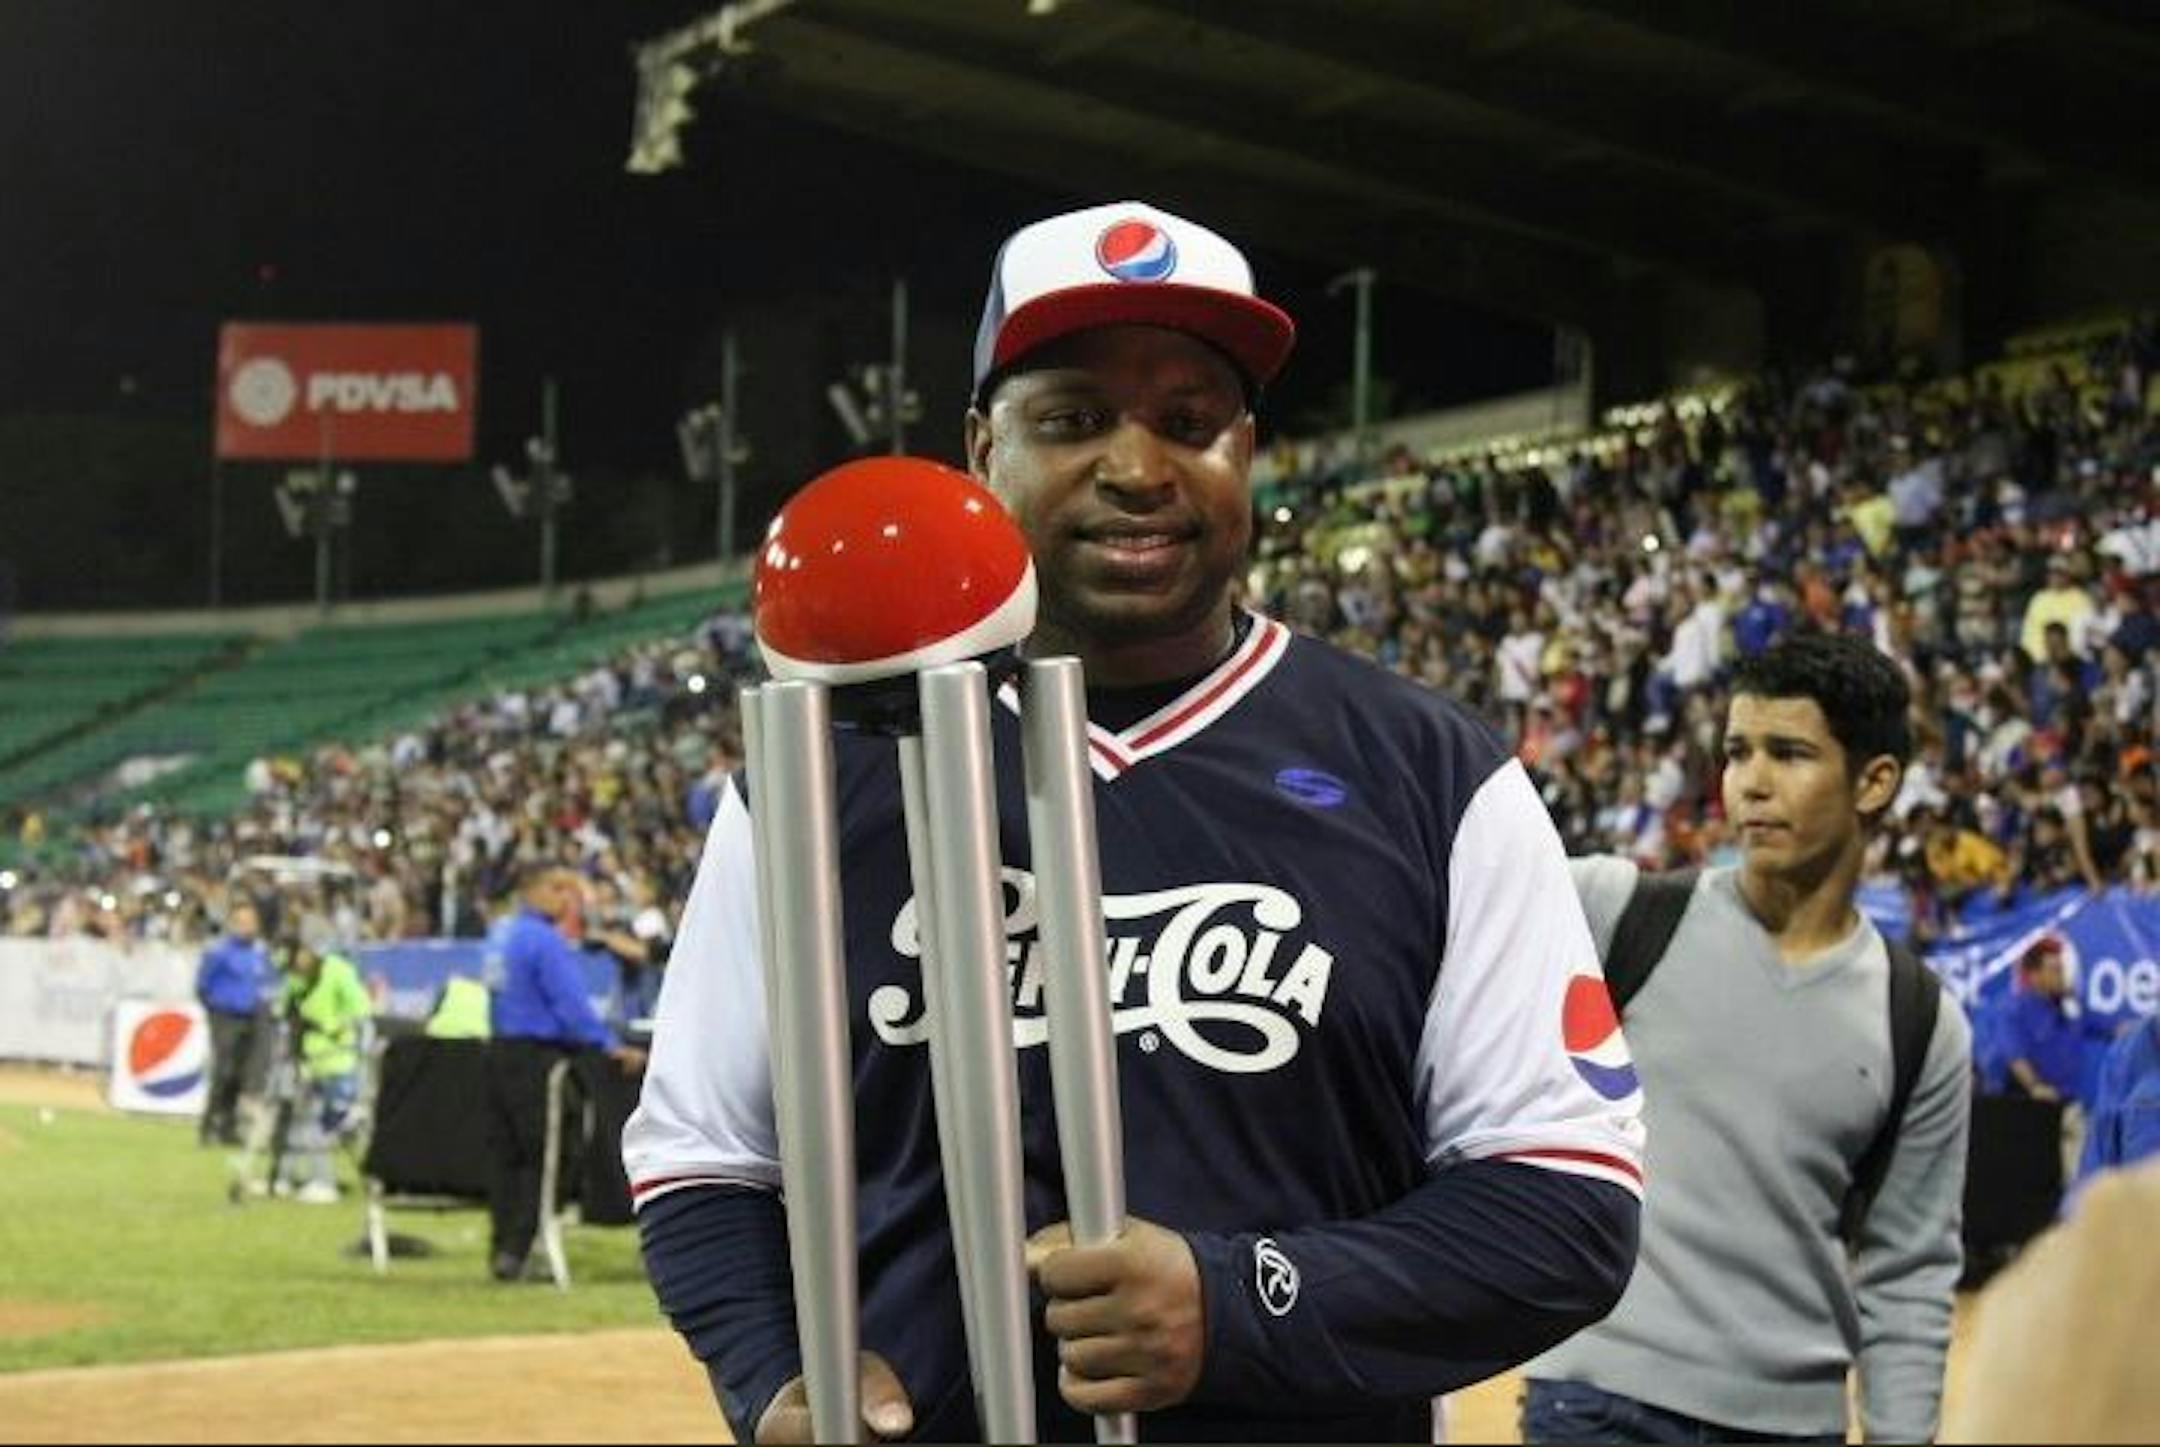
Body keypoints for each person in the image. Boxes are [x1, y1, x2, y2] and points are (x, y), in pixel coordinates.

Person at [626, 200, 1646, 1442]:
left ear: (1249, 452)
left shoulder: (1430, 770)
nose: (1138, 467)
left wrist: (1238, 1302)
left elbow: (1563, 1206)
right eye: (1071, 420)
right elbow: (707, 1156)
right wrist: (774, 1375)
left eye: (1188, 421)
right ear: (978, 451)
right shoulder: (821, 774)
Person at [1523, 630, 1973, 1444]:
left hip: (1791, 1422)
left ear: (1874, 781)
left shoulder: (1921, 1019)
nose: (1752, 782)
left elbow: (1908, 1271)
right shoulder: (1614, 909)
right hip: (1595, 1397)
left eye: (1790, 752)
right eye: (1738, 751)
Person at [483, 865, 643, 1282]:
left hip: (500, 1051)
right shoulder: (543, 941)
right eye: (559, 889)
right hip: (537, 1059)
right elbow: (570, 1006)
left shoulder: (501, 935)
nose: (567, 900)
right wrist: (608, 1046)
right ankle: (520, 1249)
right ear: (535, 890)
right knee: (549, 1154)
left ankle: (502, 1246)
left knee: (507, 1155)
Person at [274, 938, 375, 1203]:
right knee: (303, 1120)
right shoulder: (295, 980)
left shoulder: (338, 971)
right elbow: (283, 1011)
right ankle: (286, 1177)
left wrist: (336, 1030)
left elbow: (362, 1012)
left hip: (339, 1060)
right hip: (308, 1062)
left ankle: (328, 1182)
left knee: (331, 1124)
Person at [194, 903, 273, 1147]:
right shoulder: (219, 952)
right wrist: (216, 1010)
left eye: (251, 921)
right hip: (226, 1018)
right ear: (233, 924)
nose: (248, 927)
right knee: (223, 1072)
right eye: (243, 921)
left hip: (253, 1018)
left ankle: (229, 1127)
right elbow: (202, 985)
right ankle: (210, 1125)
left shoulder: (260, 953)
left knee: (242, 1075)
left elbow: (269, 982)